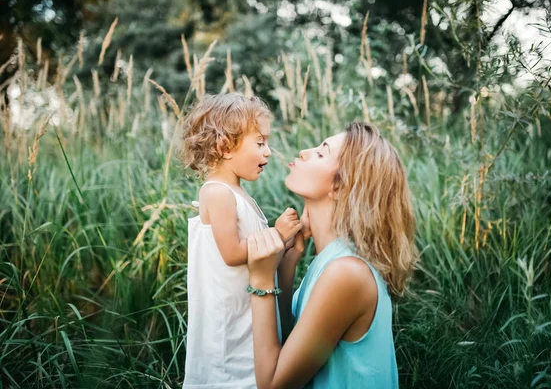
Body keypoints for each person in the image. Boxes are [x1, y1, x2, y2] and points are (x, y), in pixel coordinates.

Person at [246, 122, 419, 388]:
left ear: (340, 187)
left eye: (321, 153)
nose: (304, 151)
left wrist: (260, 279)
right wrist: (285, 265)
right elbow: (289, 346)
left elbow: (272, 384)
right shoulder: (332, 260)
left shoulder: (347, 273)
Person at [179, 93, 302, 389]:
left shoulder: (238, 193)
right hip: (227, 317)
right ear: (224, 147)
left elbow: (255, 250)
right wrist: (278, 234)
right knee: (228, 373)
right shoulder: (216, 192)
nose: (269, 152)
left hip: (246, 308)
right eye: (260, 143)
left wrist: (286, 244)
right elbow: (232, 253)